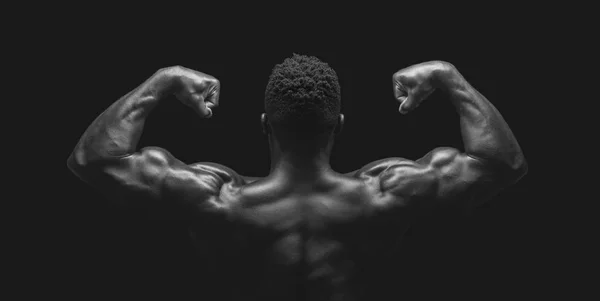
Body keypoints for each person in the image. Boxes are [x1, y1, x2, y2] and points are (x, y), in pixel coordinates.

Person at [67, 54, 527, 300]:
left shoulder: (214, 199)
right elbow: (501, 163)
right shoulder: (390, 193)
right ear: (340, 124)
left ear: (265, 123)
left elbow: (94, 159)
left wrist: (162, 81)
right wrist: (449, 78)